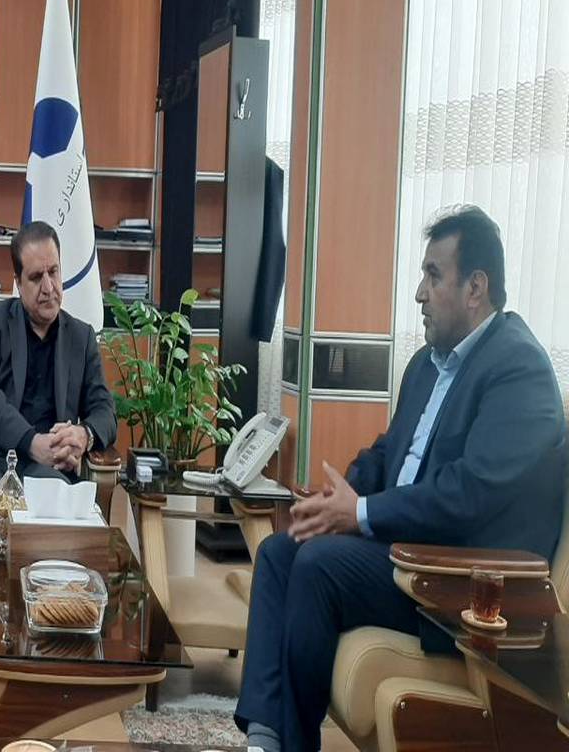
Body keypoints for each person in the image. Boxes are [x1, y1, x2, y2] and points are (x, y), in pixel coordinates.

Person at [235, 206, 566, 752]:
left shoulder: (518, 370)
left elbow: (468, 493)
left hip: (461, 583)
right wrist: (339, 497)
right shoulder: (427, 364)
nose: (419, 293)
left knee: (318, 565)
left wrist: (361, 514)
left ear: (476, 288)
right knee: (280, 551)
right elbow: (390, 452)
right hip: (404, 554)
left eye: (434, 275)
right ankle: (265, 740)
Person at [0, 222, 117, 564]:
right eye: (37, 277)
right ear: (18, 284)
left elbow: (105, 410)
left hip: (46, 467)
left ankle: (46, 596)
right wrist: (31, 442)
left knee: (56, 516)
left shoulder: (81, 337)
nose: (49, 287)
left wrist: (84, 435)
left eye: (54, 272)